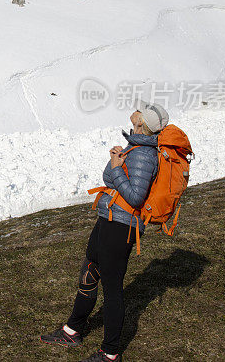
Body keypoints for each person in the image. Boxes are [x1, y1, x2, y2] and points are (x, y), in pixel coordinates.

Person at [39, 100, 169, 362]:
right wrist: (115, 164)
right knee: (90, 269)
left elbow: (134, 196)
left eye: (140, 112)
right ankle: (72, 330)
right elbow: (108, 178)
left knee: (112, 289)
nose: (135, 111)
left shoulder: (143, 155)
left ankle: (110, 354)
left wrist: (116, 169)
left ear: (142, 123)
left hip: (121, 226)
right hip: (108, 219)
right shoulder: (135, 147)